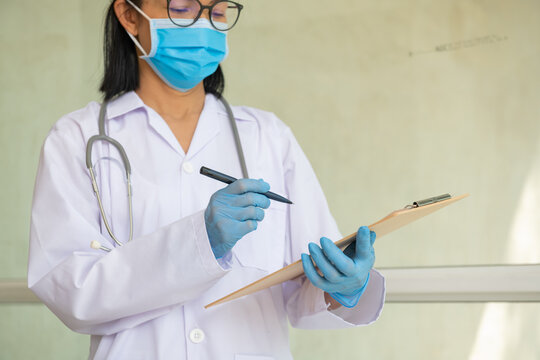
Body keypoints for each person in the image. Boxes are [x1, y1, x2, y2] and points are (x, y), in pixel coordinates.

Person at [27, 0, 386, 358]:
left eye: (216, 12)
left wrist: (342, 287)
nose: (202, 26)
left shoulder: (267, 135)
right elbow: (71, 291)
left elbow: (304, 288)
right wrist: (201, 243)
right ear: (130, 16)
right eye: (182, 9)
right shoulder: (77, 138)